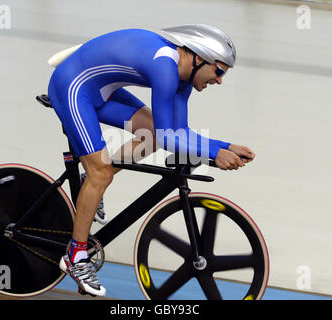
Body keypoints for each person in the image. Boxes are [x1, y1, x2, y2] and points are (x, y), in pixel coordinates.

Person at [48, 24, 255, 297]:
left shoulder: (183, 78)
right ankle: (75, 257)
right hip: (72, 86)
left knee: (151, 136)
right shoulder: (165, 69)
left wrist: (225, 145)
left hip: (102, 89)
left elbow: (177, 133)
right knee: (103, 174)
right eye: (218, 71)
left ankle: (91, 179)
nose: (219, 80)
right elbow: (171, 138)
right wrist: (215, 153)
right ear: (198, 58)